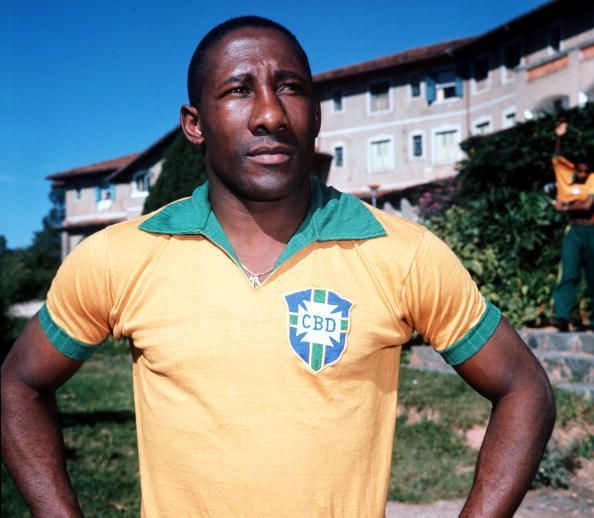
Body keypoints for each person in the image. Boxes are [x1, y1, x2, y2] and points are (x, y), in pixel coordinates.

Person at [1, 16, 555, 518]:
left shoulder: (402, 253)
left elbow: (524, 389)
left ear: (314, 113)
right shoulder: (121, 256)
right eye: (239, 91)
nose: (270, 114)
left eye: (290, 88)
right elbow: (19, 382)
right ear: (194, 124)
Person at [551, 121, 594, 332]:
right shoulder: (568, 178)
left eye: (586, 172)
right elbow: (557, 159)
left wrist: (564, 206)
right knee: (569, 273)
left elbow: (587, 205)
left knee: (593, 276)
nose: (583, 174)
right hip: (574, 232)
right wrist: (559, 137)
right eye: (580, 171)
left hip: (592, 231)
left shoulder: (593, 179)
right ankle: (562, 317)